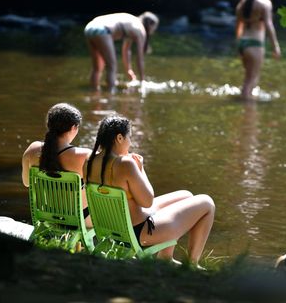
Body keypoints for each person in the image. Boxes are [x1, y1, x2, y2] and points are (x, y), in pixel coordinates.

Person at [85, 115, 215, 268]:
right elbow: (147, 202)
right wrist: (141, 169)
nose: (130, 142)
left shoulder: (89, 162)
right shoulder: (125, 164)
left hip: (111, 229)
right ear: (119, 138)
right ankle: (191, 265)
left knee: (186, 196)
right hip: (139, 232)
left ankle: (166, 258)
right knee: (207, 203)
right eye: (129, 137)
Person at [22, 103, 93, 226]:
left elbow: (26, 182)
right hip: (79, 219)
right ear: (73, 128)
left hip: (46, 215)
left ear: (49, 125)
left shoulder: (32, 149)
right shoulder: (84, 156)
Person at [84, 11, 159, 92]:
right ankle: (110, 95)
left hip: (89, 28)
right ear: (151, 25)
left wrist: (128, 70)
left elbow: (126, 51)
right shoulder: (141, 30)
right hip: (102, 30)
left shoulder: (132, 22)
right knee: (112, 67)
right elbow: (139, 59)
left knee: (97, 68)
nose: (153, 31)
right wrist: (142, 81)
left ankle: (94, 92)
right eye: (154, 28)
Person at [235, 0, 281, 100]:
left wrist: (238, 46)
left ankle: (246, 105)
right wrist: (275, 46)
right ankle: (248, 112)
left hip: (243, 43)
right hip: (255, 44)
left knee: (248, 78)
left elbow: (238, 26)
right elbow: (269, 25)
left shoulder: (242, 3)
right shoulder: (264, 3)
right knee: (252, 79)